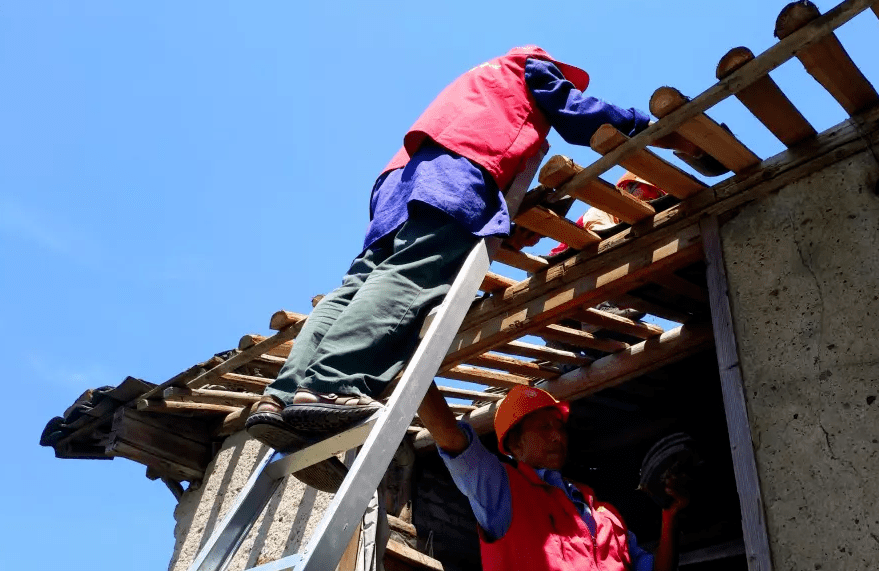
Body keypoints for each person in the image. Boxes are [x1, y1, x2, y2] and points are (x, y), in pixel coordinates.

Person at [244, 46, 655, 459]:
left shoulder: (475, 80)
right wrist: (640, 124)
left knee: (357, 285)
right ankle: (331, 386)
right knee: (413, 273)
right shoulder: (528, 67)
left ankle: (281, 398)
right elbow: (577, 111)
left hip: (399, 180)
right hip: (457, 168)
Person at [416, 383, 689, 571]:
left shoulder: (606, 515)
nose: (558, 436)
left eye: (559, 427)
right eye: (544, 428)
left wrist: (670, 516)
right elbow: (451, 438)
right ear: (515, 443)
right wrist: (416, 371)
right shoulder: (503, 493)